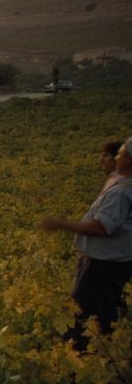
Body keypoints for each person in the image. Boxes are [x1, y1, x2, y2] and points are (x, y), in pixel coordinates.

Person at [42, 137, 132, 350]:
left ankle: (76, 363)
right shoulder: (121, 181)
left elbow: (101, 227)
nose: (114, 158)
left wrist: (62, 224)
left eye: (118, 154)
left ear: (128, 160)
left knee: (80, 315)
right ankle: (108, 354)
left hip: (102, 264)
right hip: (114, 262)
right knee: (104, 312)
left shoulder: (121, 193)